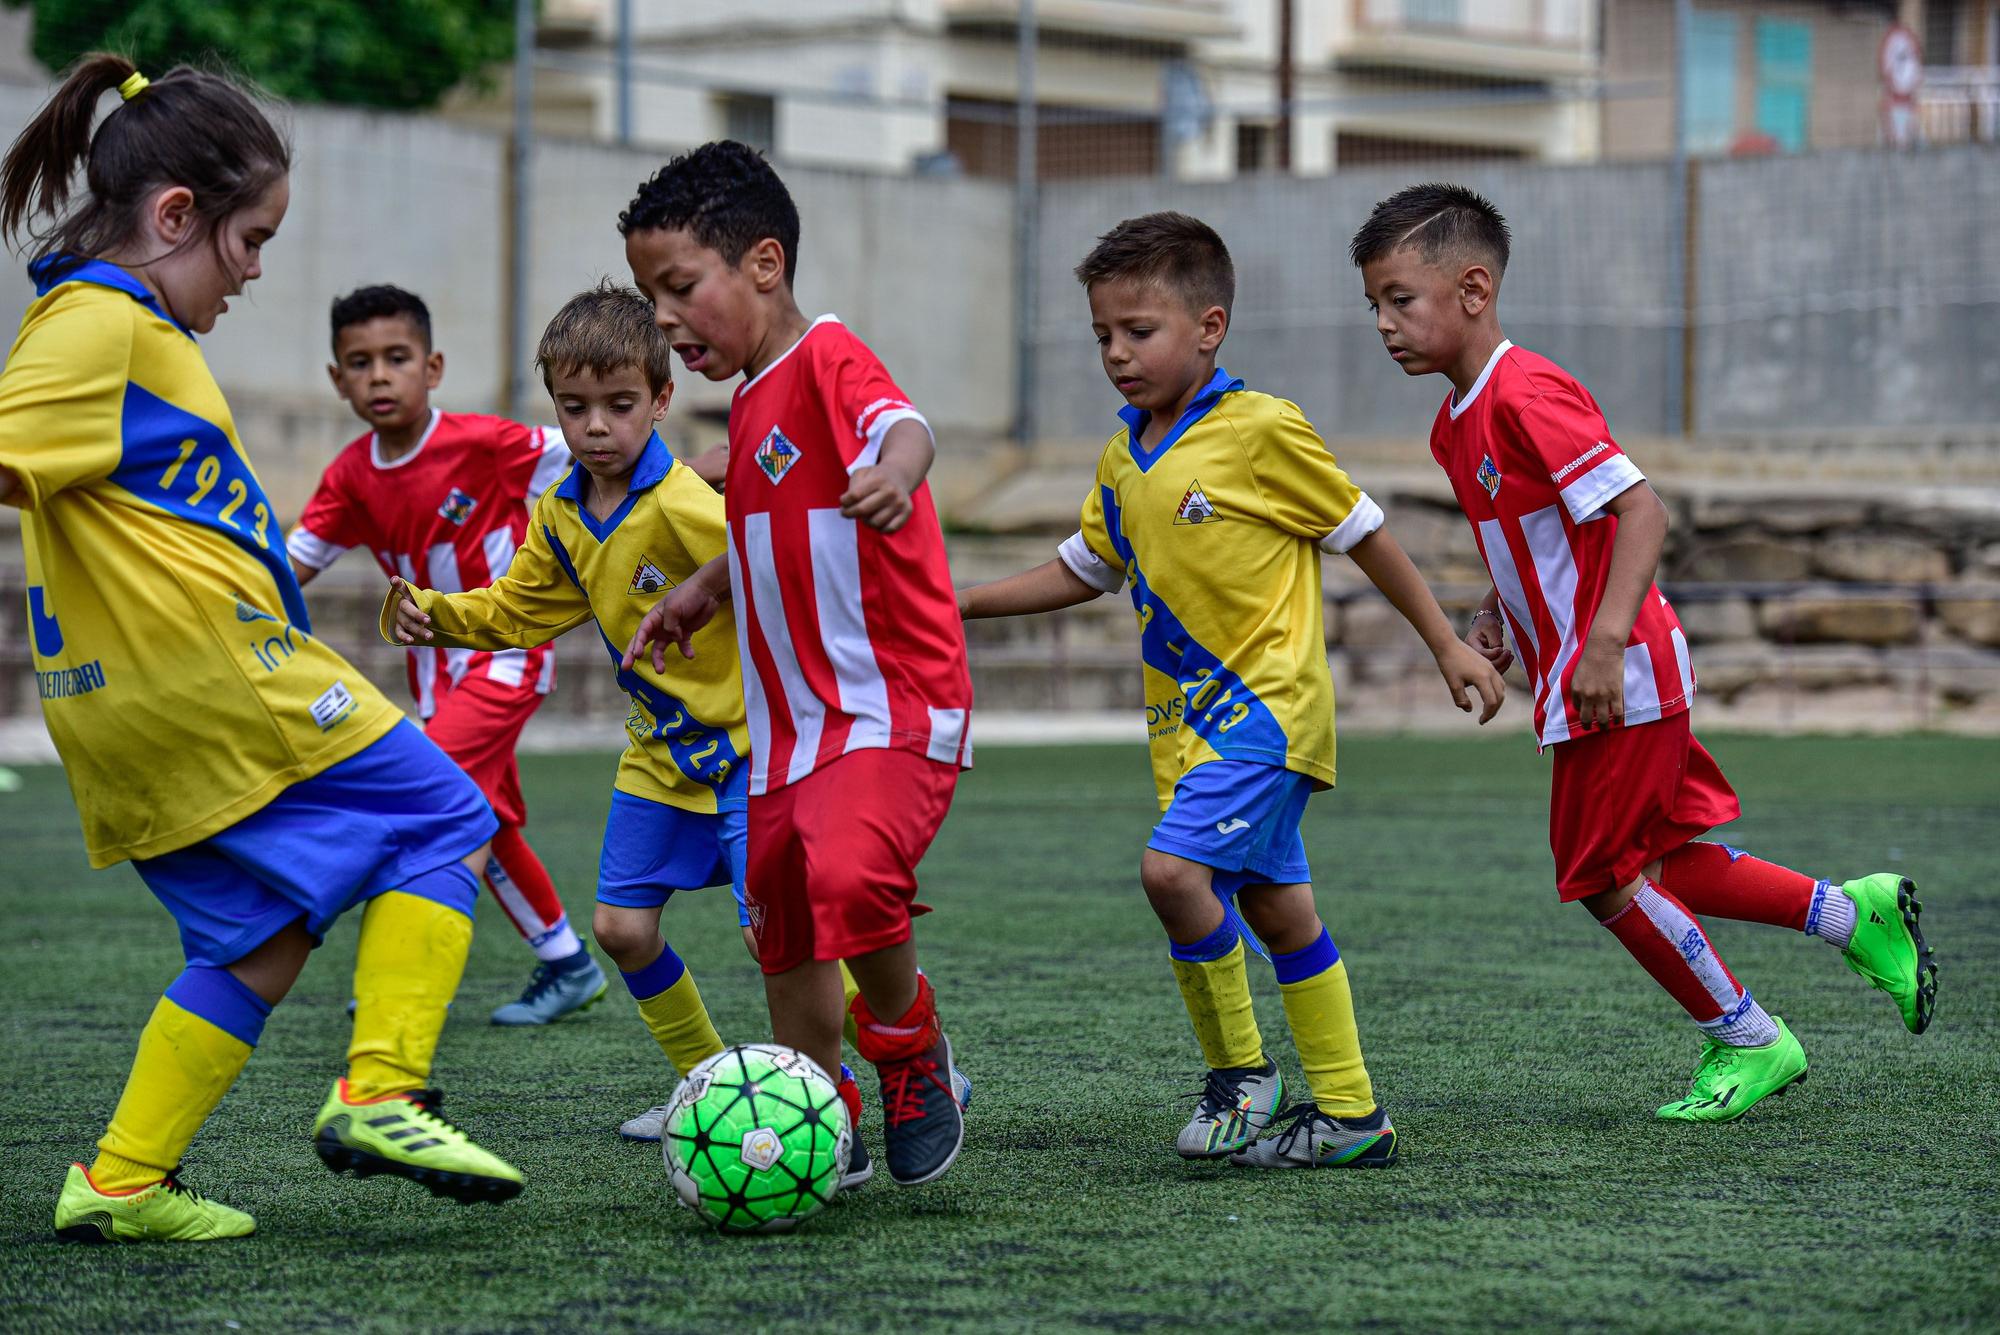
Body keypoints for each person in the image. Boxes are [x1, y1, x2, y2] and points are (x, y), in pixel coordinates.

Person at [0, 56, 521, 1243]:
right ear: (174, 215)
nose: (253, 270)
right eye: (248, 239)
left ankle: (121, 1182)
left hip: (114, 705)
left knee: (260, 938)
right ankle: (382, 1092)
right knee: (447, 818)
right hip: (209, 676)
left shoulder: (104, 321)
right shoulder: (101, 320)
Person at [1350, 182, 1937, 1121]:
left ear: (1473, 289)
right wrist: (1496, 619)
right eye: (1372, 303)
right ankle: (1851, 913)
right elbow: (1533, 542)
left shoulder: (1527, 389)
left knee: (1602, 878)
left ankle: (1750, 1036)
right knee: (1660, 862)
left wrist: (1602, 644)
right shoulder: (1451, 423)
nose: (1382, 323)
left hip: (1614, 675)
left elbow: (1639, 510)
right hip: (1598, 671)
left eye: (1399, 299)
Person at [958, 212, 1505, 1169]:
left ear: (1209, 328)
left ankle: (1242, 1077)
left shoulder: (1261, 429)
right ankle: (1351, 1115)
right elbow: (1086, 567)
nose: (1117, 354)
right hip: (1188, 732)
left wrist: (1446, 643)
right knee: (1278, 912)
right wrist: (955, 605)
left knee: (1172, 875)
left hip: (1268, 713)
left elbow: (1364, 532)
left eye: (1140, 332)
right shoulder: (1124, 454)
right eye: (1101, 336)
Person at [621, 141, 972, 1187]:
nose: (667, 319)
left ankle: (912, 1053)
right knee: (779, 925)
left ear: (763, 264)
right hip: (782, 735)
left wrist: (896, 476)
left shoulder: (824, 357)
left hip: (886, 707)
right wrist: (699, 591)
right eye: (653, 295)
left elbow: (903, 427)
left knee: (848, 874)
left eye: (680, 288)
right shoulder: (746, 401)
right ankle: (824, 1112)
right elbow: (764, 531)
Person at [289, 284, 608, 1026]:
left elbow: (605, 450)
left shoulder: (485, 444)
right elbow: (284, 569)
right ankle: (568, 963)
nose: (378, 375)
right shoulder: (350, 476)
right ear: (337, 380)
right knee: (480, 818)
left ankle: (394, 975)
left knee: (418, 793)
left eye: (396, 358)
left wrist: (702, 472)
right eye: (359, 362)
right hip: (437, 675)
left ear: (431, 367)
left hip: (505, 654)